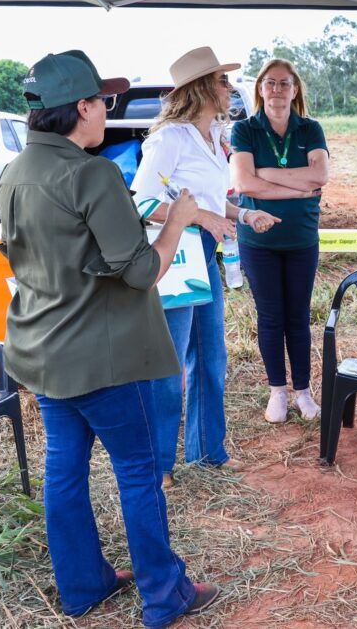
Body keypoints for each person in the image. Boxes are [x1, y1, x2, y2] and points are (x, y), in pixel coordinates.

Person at [0, 50, 218, 628]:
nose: (108, 114)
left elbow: (64, 251)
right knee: (139, 471)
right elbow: (142, 270)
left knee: (64, 470)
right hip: (104, 357)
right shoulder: (91, 173)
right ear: (82, 108)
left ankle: (82, 585)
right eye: (104, 102)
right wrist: (179, 220)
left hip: (43, 352)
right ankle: (165, 595)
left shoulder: (15, 171)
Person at [132, 46, 279, 484]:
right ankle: (158, 465)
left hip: (206, 260)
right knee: (169, 366)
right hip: (174, 261)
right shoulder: (170, 139)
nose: (230, 87)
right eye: (221, 80)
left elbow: (214, 204)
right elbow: (141, 202)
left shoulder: (216, 136)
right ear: (200, 88)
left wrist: (243, 214)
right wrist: (199, 218)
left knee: (211, 358)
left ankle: (207, 451)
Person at [230, 58, 329, 424]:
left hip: (302, 238)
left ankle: (302, 391)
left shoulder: (310, 128)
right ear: (260, 89)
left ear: (295, 89)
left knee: (298, 317)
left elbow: (321, 175)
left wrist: (267, 175)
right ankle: (277, 392)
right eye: (269, 83)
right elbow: (244, 184)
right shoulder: (244, 130)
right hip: (259, 241)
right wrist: (298, 189)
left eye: (284, 83)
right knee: (271, 317)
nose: (276, 90)